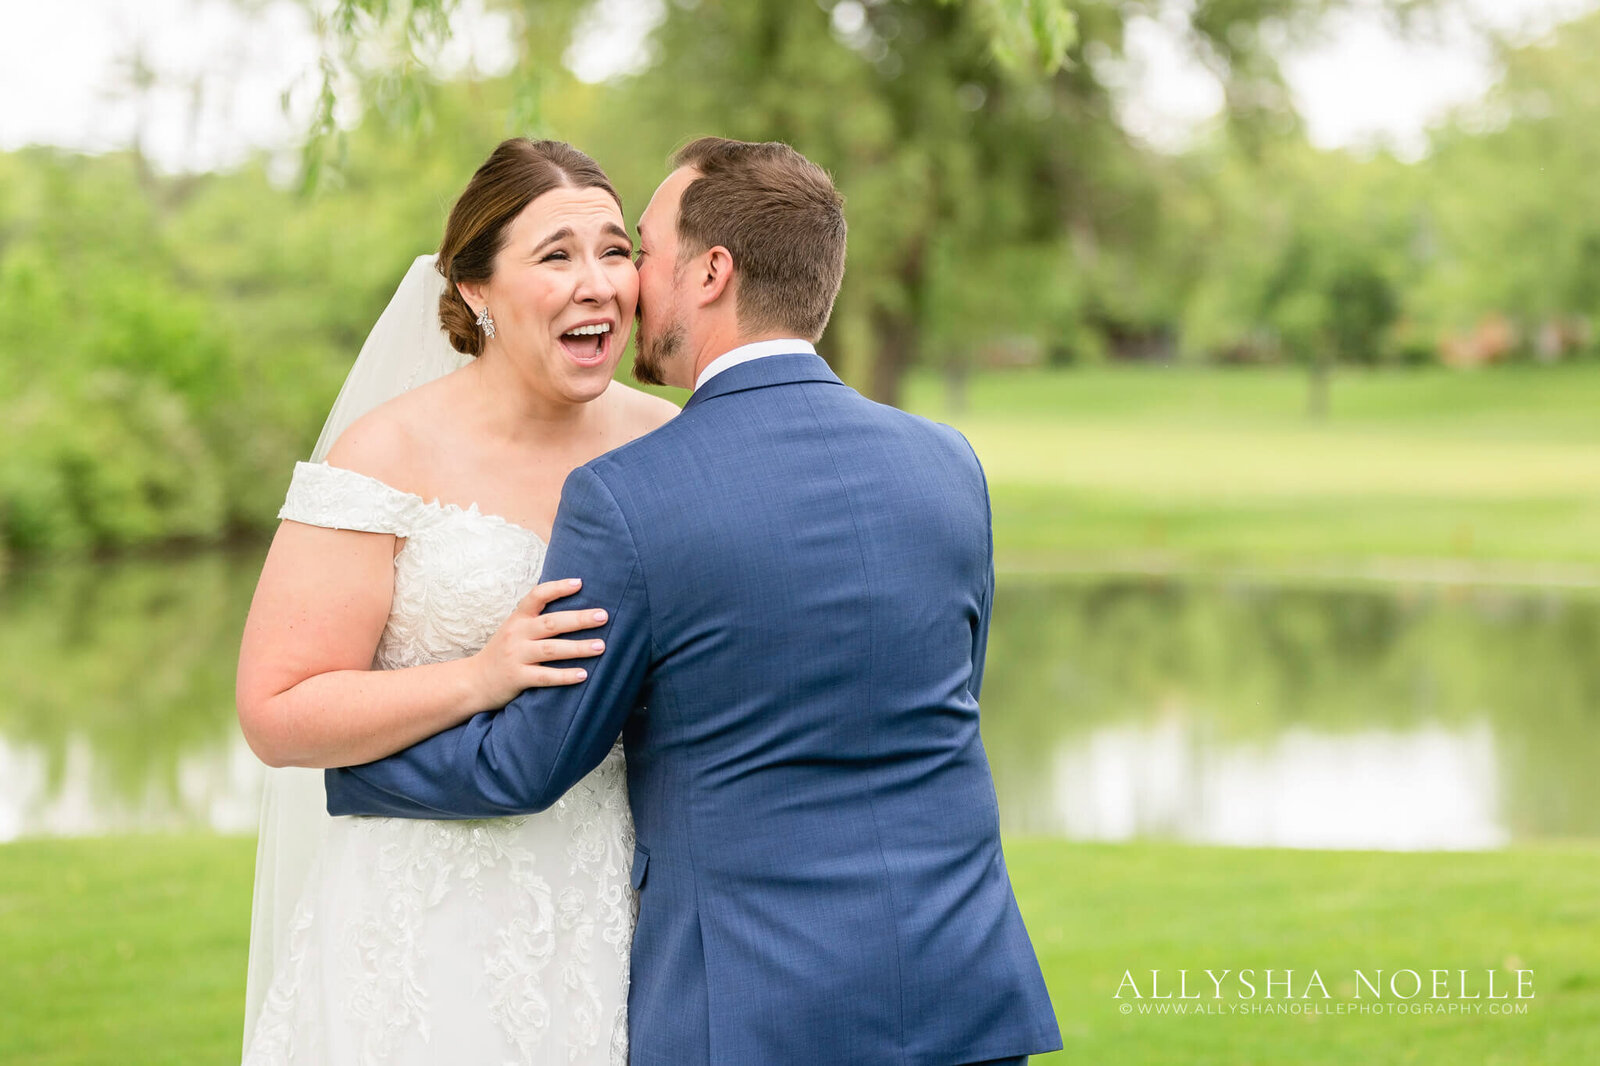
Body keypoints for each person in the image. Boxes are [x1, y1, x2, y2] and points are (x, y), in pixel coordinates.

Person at [325, 137, 1062, 1065]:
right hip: (964, 989)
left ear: (712, 272)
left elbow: (526, 765)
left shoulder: (632, 492)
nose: (629, 284)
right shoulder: (949, 465)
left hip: (754, 1010)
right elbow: (940, 696)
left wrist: (342, 763)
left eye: (642, 249)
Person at [236, 139, 678, 1065]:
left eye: (613, 249)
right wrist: (480, 676)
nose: (598, 281)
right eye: (556, 255)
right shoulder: (385, 454)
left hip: (614, 908)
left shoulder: (669, 441)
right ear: (475, 288)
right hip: (421, 920)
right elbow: (279, 713)